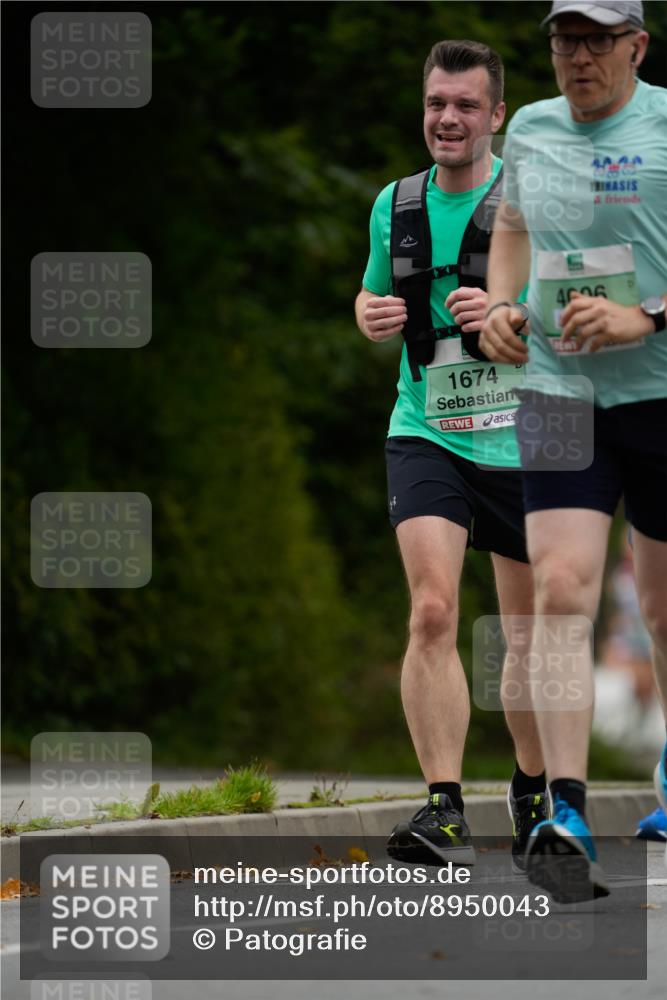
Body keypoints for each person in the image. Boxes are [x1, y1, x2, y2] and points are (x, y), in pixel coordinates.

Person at [480, 0, 667, 899]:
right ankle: (565, 812)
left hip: (661, 392)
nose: (578, 58)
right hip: (557, 390)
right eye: (564, 40)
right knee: (558, 589)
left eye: (597, 41)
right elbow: (510, 229)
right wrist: (504, 308)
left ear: (636, 45)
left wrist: (646, 314)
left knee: (664, 612)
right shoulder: (528, 126)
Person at [355, 39, 548, 870]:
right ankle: (442, 807)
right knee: (432, 610)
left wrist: (511, 314)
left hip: (525, 437)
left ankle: (534, 790)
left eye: (466, 105)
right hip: (424, 427)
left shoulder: (534, 200)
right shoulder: (393, 204)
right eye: (437, 103)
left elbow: (582, 306)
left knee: (525, 637)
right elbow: (370, 289)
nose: (448, 118)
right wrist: (367, 312)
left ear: (496, 115)